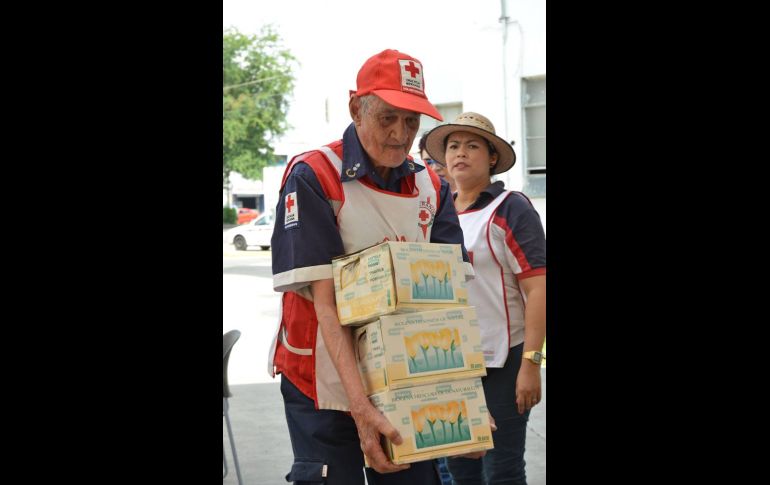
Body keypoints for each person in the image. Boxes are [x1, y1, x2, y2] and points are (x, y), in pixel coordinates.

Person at [268, 49, 475, 485]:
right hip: (321, 382)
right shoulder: (314, 175)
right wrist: (360, 407)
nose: (401, 135)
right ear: (355, 108)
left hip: (403, 378)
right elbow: (326, 305)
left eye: (412, 121)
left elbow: (446, 300)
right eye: (387, 119)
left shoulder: (432, 186)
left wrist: (462, 392)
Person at [425, 112, 546, 485]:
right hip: (451, 364)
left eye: (472, 146)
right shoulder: (433, 212)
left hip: (504, 359)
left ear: (492, 157)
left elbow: (539, 287)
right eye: (454, 146)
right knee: (462, 470)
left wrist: (532, 363)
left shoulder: (510, 207)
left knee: (502, 472)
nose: (461, 153)